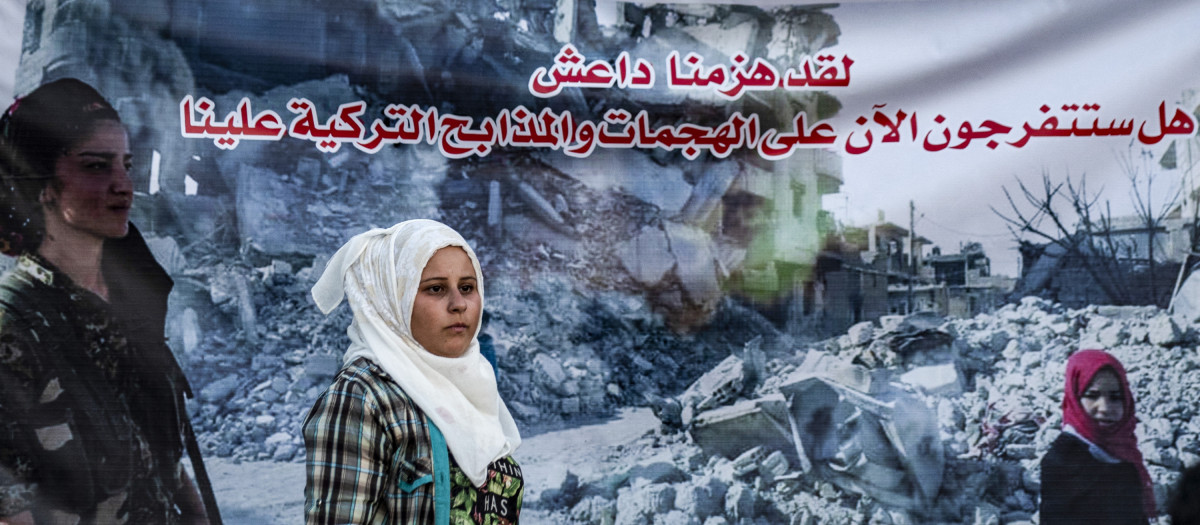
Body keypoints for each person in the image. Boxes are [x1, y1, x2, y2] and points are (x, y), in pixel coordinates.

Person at [0, 78, 217, 524]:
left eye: (127, 165)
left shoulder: (134, 304)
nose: (123, 185)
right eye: (97, 167)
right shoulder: (15, 327)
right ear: (44, 185)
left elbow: (164, 458)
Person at [304, 219, 523, 524]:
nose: (459, 304)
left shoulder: (473, 384)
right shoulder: (362, 399)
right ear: (392, 299)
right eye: (435, 289)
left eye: (467, 287)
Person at [1039, 349, 1154, 524]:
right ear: (1075, 398)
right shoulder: (1064, 462)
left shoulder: (1124, 451)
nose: (1105, 408)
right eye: (1092, 396)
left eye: (1116, 397)